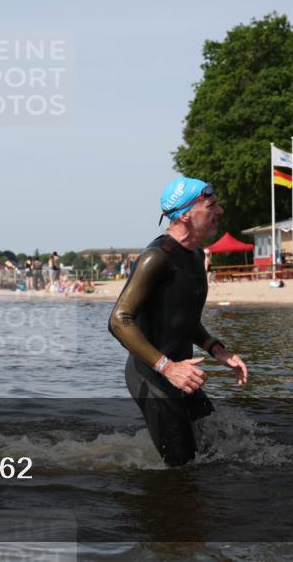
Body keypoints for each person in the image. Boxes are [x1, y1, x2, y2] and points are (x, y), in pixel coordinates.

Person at [108, 177, 248, 467]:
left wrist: (217, 349)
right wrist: (167, 367)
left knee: (220, 446)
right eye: (211, 205)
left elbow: (182, 318)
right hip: (151, 374)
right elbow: (119, 320)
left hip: (182, 375)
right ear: (185, 215)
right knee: (182, 469)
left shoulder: (195, 255)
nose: (220, 211)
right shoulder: (155, 258)